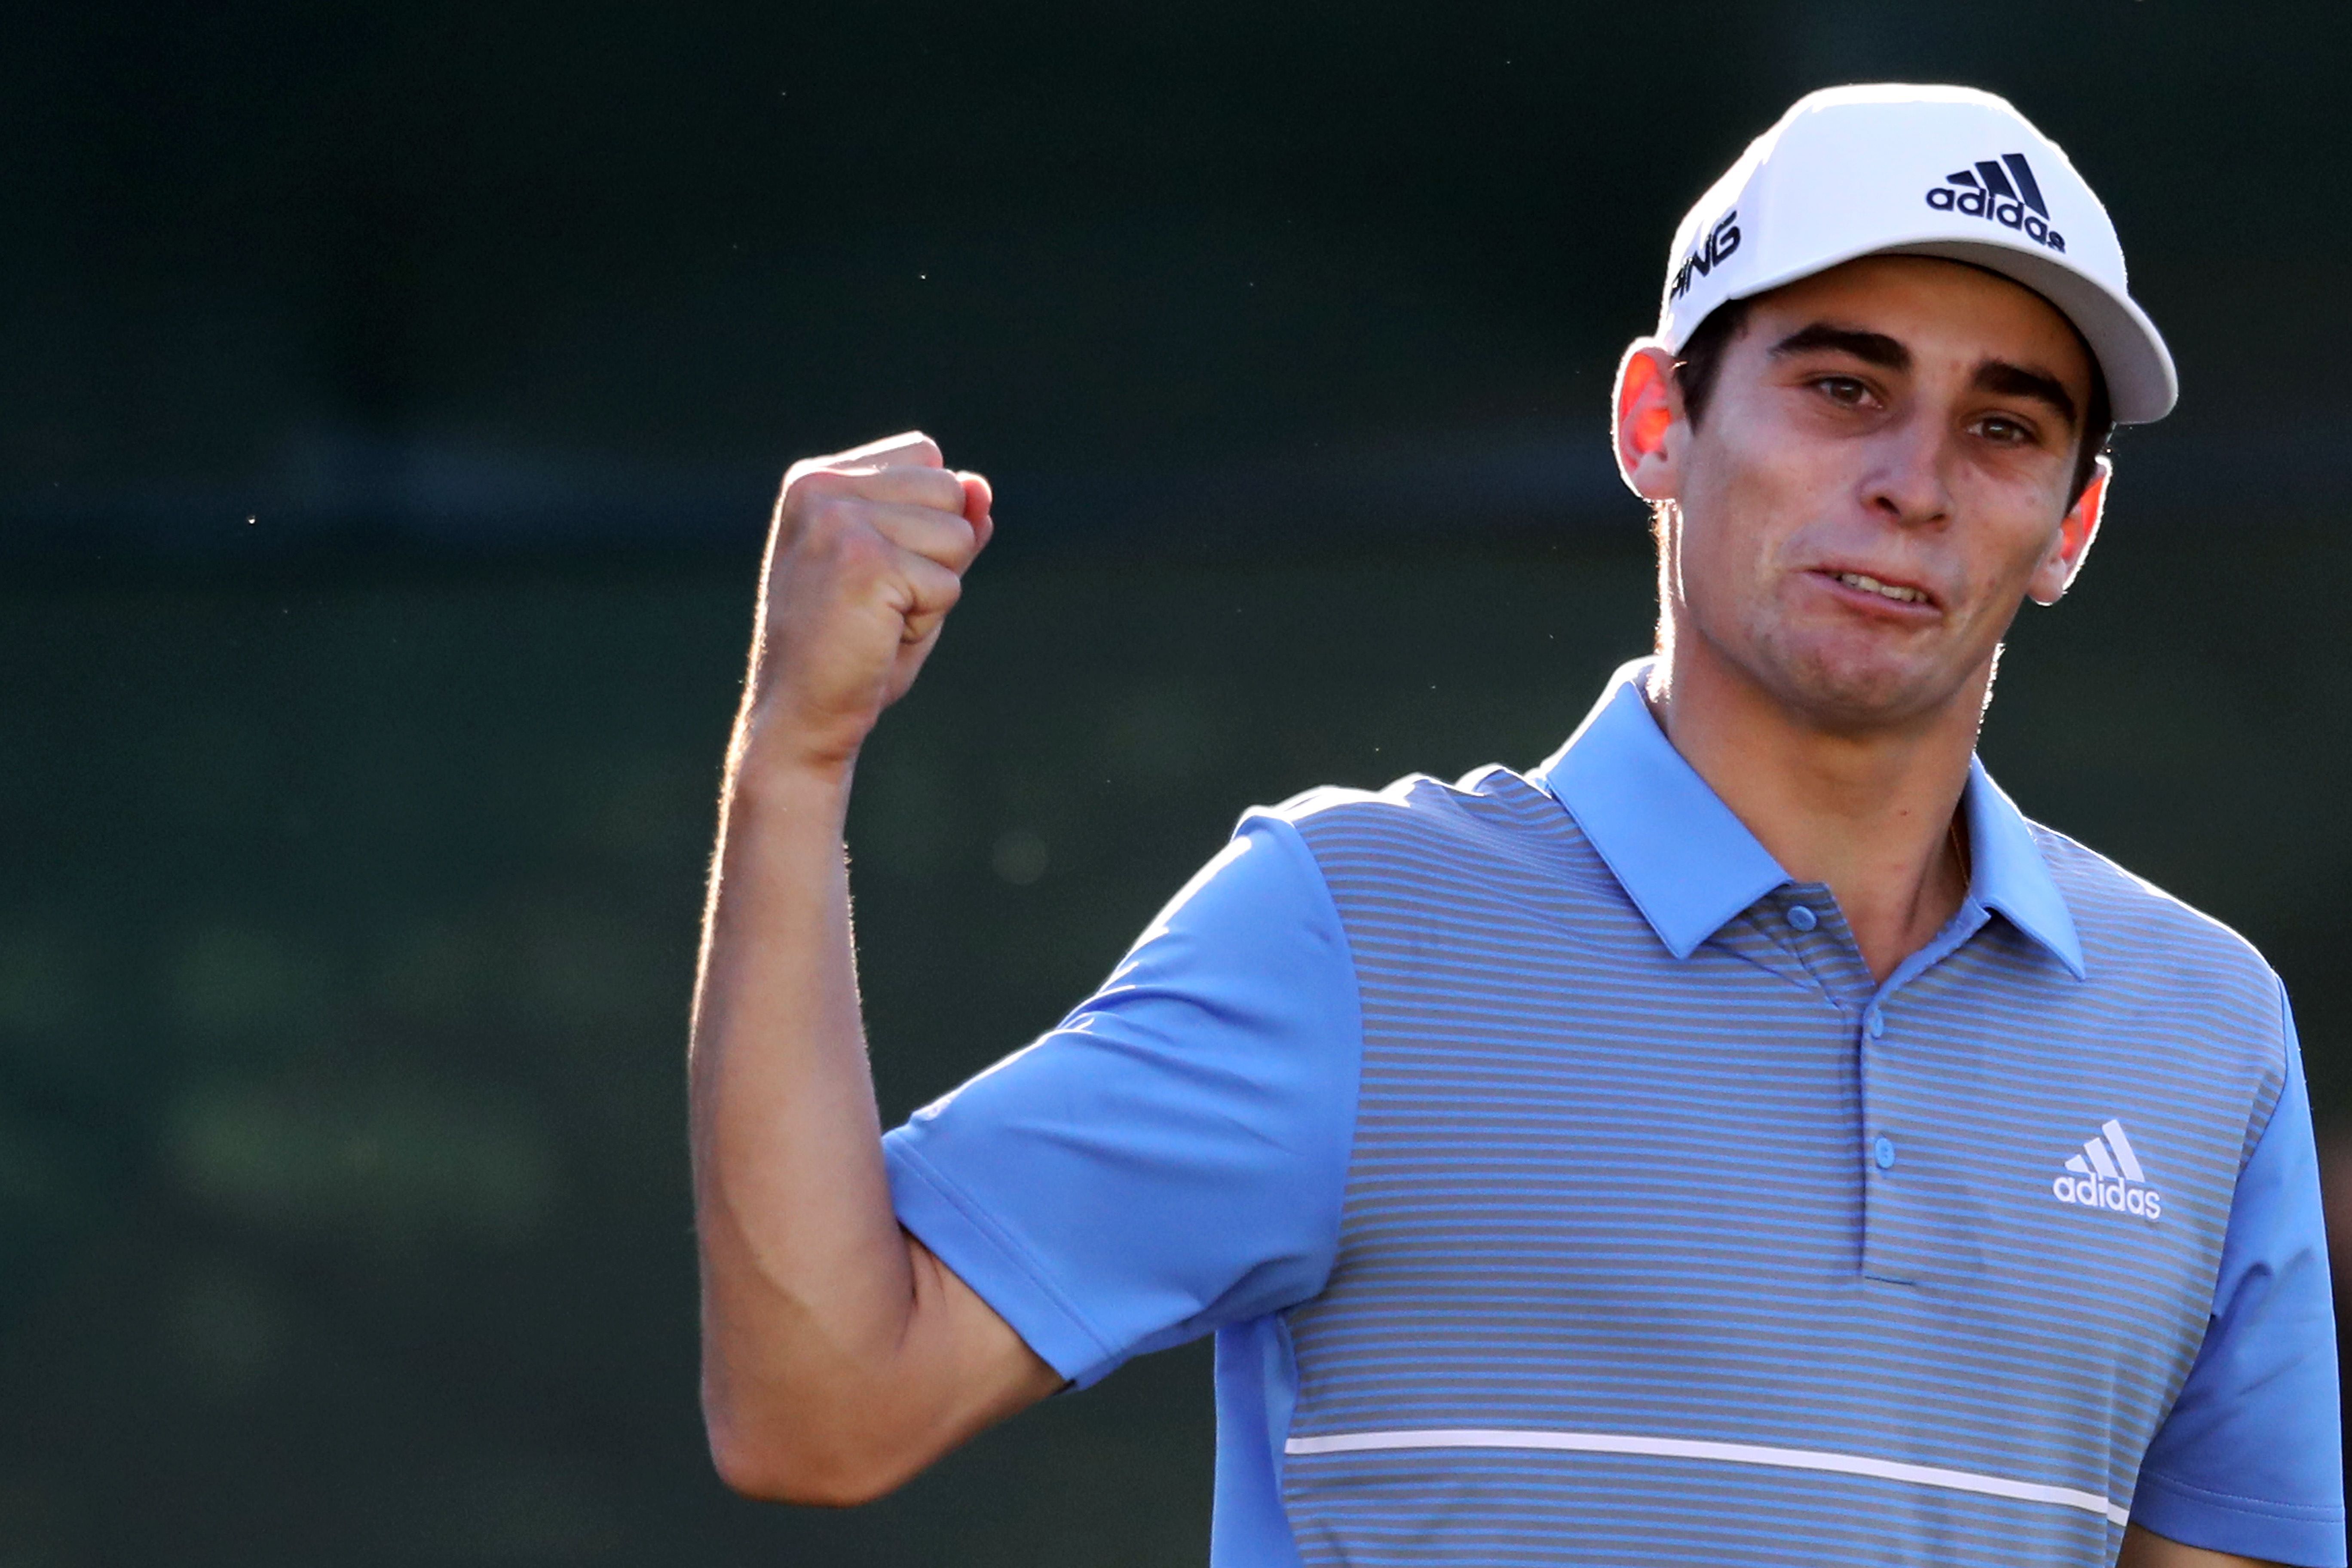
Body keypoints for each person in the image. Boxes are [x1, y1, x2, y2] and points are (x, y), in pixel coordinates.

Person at [687, 84, 2344, 1567]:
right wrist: (795, 757)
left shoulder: (2205, 1031)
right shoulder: (1345, 926)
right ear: (1655, 424)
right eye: (1844, 386)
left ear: (2073, 521)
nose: (1917, 477)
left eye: (2004, 425)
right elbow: (820, 1411)